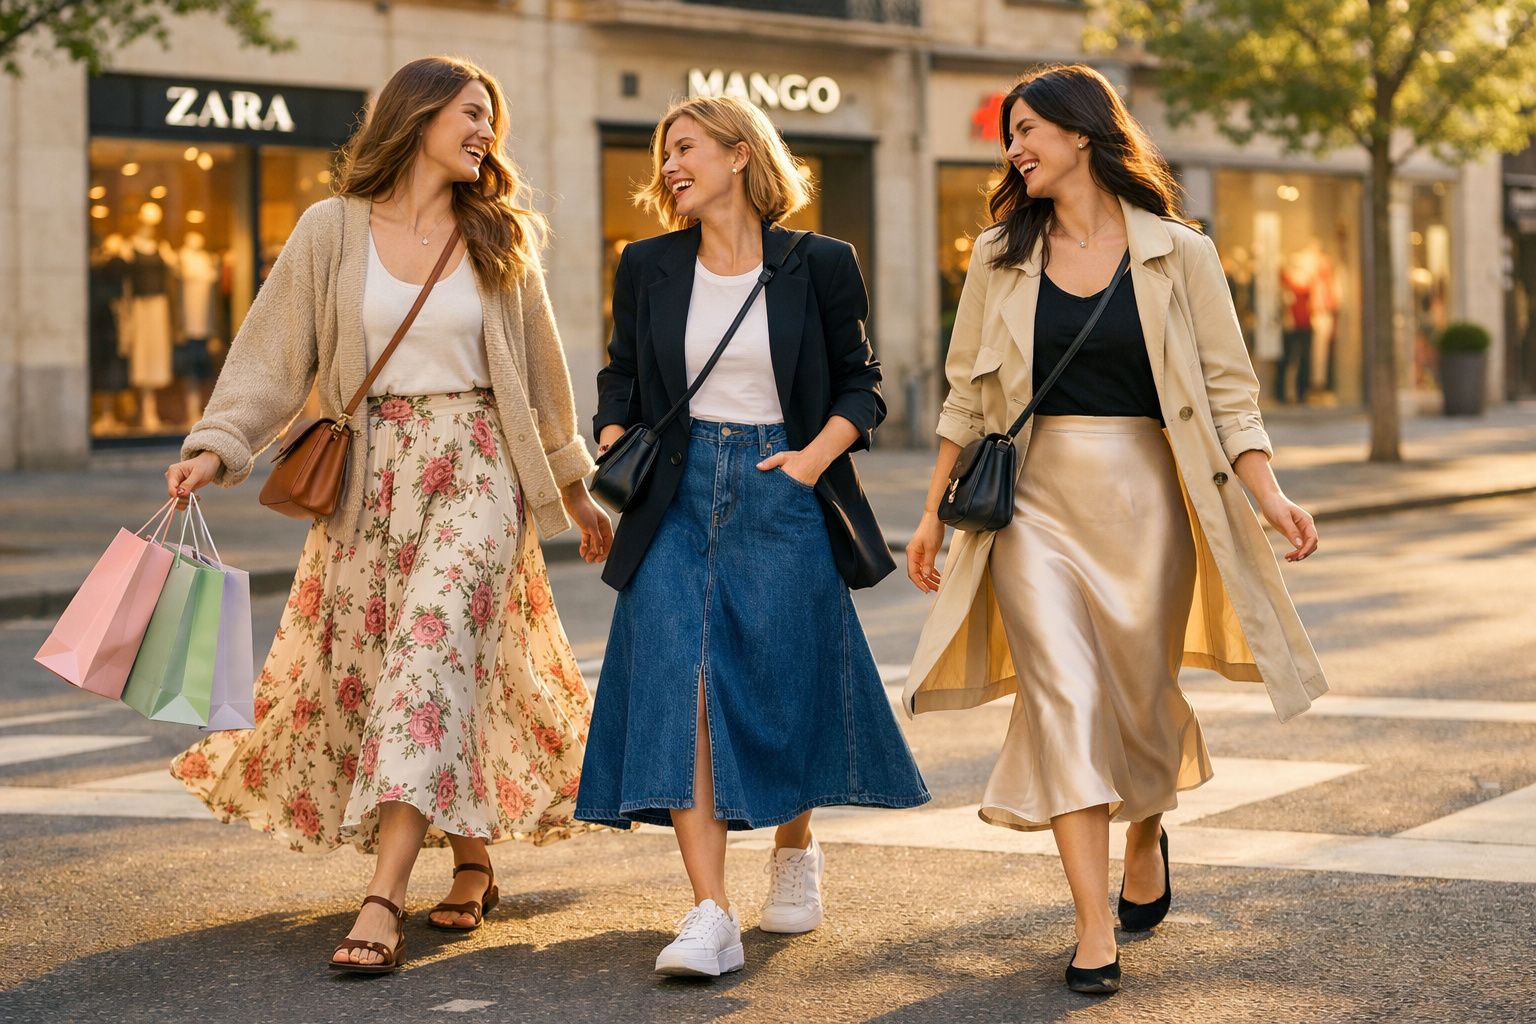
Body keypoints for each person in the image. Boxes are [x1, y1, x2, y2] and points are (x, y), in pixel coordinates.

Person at [162, 55, 614, 974]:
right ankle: (474, 860)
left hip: (479, 468)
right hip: (372, 476)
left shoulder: (500, 236)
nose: (488, 131)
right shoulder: (331, 231)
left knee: (431, 648)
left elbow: (540, 375)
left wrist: (573, 485)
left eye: (493, 117)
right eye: (472, 113)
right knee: (397, 665)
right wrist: (217, 445)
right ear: (417, 119)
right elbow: (272, 356)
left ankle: (383, 894)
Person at [903, 64, 1327, 997]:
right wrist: (933, 511)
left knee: (1138, 696)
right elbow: (968, 393)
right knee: (1063, 697)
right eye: (1008, 133)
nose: (1014, 148)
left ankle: (1147, 826)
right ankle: (1094, 928)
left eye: (1028, 130)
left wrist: (1270, 494)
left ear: (1081, 134)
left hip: (1149, 499)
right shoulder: (998, 254)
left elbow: (1226, 392)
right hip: (1032, 503)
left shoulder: (1182, 252)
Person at [576, 95, 930, 977]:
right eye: (664, 154)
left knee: (784, 679)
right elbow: (620, 371)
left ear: (740, 155)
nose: (670, 166)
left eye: (685, 148)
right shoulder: (648, 263)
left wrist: (811, 460)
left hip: (781, 482)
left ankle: (794, 848)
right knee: (681, 683)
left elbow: (864, 387)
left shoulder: (820, 264)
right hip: (676, 492)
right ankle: (710, 914)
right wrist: (614, 431)